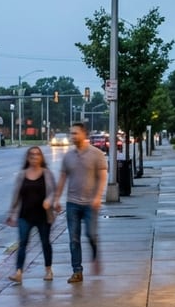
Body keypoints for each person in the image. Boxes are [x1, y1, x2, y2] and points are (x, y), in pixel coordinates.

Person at [53, 121, 107, 283]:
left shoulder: (96, 154)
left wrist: (98, 197)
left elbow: (103, 177)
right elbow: (62, 178)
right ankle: (77, 271)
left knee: (90, 234)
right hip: (72, 203)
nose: (72, 136)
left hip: (91, 204)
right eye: (71, 133)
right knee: (73, 239)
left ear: (84, 134)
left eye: (75, 133)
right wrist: (57, 198)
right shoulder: (68, 156)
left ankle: (95, 255)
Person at [6, 146, 57, 283]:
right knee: (23, 243)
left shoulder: (47, 174)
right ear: (28, 158)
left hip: (43, 216)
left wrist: (49, 200)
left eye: (37, 154)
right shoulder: (22, 174)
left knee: (45, 242)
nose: (34, 157)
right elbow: (16, 194)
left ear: (41, 157)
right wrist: (11, 213)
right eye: (31, 155)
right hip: (25, 215)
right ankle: (18, 272)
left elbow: (54, 192)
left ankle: (48, 270)